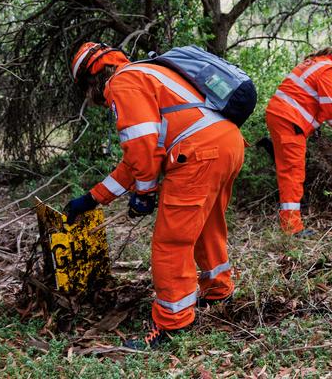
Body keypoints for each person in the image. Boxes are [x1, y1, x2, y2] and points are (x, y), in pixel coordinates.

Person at [65, 42, 245, 349]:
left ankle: (172, 325)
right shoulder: (148, 73)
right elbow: (134, 162)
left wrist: (145, 193)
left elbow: (141, 146)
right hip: (226, 143)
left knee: (171, 242)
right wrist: (93, 198)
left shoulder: (123, 82)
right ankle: (218, 290)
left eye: (84, 88)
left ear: (91, 77)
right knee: (207, 225)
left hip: (199, 153)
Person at [264, 41, 332, 237]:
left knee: (288, 167)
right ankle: (292, 228)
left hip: (278, 115)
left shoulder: (316, 62)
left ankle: (278, 154)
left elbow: (310, 99)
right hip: (289, 121)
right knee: (293, 173)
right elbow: (331, 108)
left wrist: (314, 126)